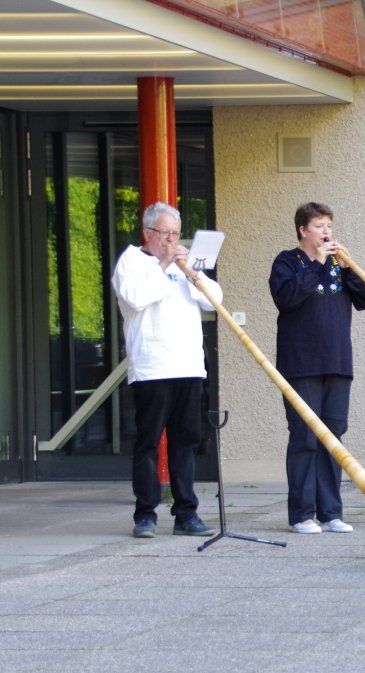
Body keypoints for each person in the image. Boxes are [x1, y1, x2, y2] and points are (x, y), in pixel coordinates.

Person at [111, 201, 222, 538]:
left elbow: (214, 300)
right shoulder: (132, 261)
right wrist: (163, 264)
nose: (172, 240)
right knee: (147, 443)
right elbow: (135, 297)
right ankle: (145, 515)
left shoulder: (182, 266)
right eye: (165, 234)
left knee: (185, 443)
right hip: (152, 367)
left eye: (176, 233)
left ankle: (186, 514)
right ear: (148, 233)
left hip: (188, 365)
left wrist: (195, 271)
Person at [269, 202, 365, 534]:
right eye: (319, 226)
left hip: (338, 362)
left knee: (334, 439)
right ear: (303, 230)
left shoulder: (337, 264)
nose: (327, 231)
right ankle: (302, 514)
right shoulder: (287, 261)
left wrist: (348, 267)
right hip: (301, 364)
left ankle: (331, 512)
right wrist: (316, 263)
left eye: (329, 225)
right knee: (304, 437)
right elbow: (287, 298)